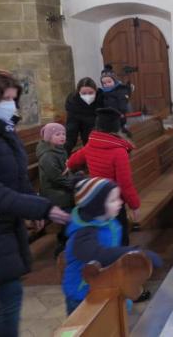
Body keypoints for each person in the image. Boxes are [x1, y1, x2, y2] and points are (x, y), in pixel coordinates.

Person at [0, 70, 71, 337]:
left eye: (13, 98)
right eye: (4, 99)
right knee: (4, 305)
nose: (10, 104)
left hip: (2, 231)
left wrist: (30, 200)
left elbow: (15, 175)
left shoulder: (2, 131)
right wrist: (42, 207)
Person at [65, 107, 152, 302]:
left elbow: (74, 160)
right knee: (119, 245)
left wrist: (68, 166)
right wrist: (135, 205)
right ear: (116, 129)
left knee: (103, 244)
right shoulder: (118, 151)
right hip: (113, 203)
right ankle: (129, 289)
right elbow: (125, 183)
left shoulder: (90, 145)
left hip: (94, 203)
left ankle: (105, 283)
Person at [62, 177, 162, 314]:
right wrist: (137, 253)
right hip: (83, 294)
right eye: (113, 200)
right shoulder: (83, 233)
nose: (120, 203)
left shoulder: (107, 221)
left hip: (104, 285)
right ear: (96, 206)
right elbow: (99, 254)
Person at [37, 122, 75, 256]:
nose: (62, 137)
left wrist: (74, 179)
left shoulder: (60, 150)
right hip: (53, 193)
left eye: (63, 134)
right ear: (48, 137)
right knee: (72, 214)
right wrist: (74, 184)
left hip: (61, 188)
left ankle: (70, 240)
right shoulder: (48, 156)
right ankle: (63, 243)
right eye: (57, 134)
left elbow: (65, 171)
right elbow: (56, 177)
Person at [64, 77, 103, 155]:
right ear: (78, 92)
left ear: (96, 91)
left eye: (91, 93)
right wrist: (64, 153)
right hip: (89, 143)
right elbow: (71, 132)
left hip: (105, 141)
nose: (87, 96)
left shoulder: (103, 101)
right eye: (84, 93)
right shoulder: (74, 105)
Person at [99, 65, 132, 136]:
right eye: (104, 83)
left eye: (109, 82)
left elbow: (122, 102)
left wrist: (121, 113)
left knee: (118, 131)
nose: (107, 84)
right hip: (107, 119)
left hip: (118, 116)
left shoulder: (120, 91)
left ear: (114, 81)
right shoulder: (102, 92)